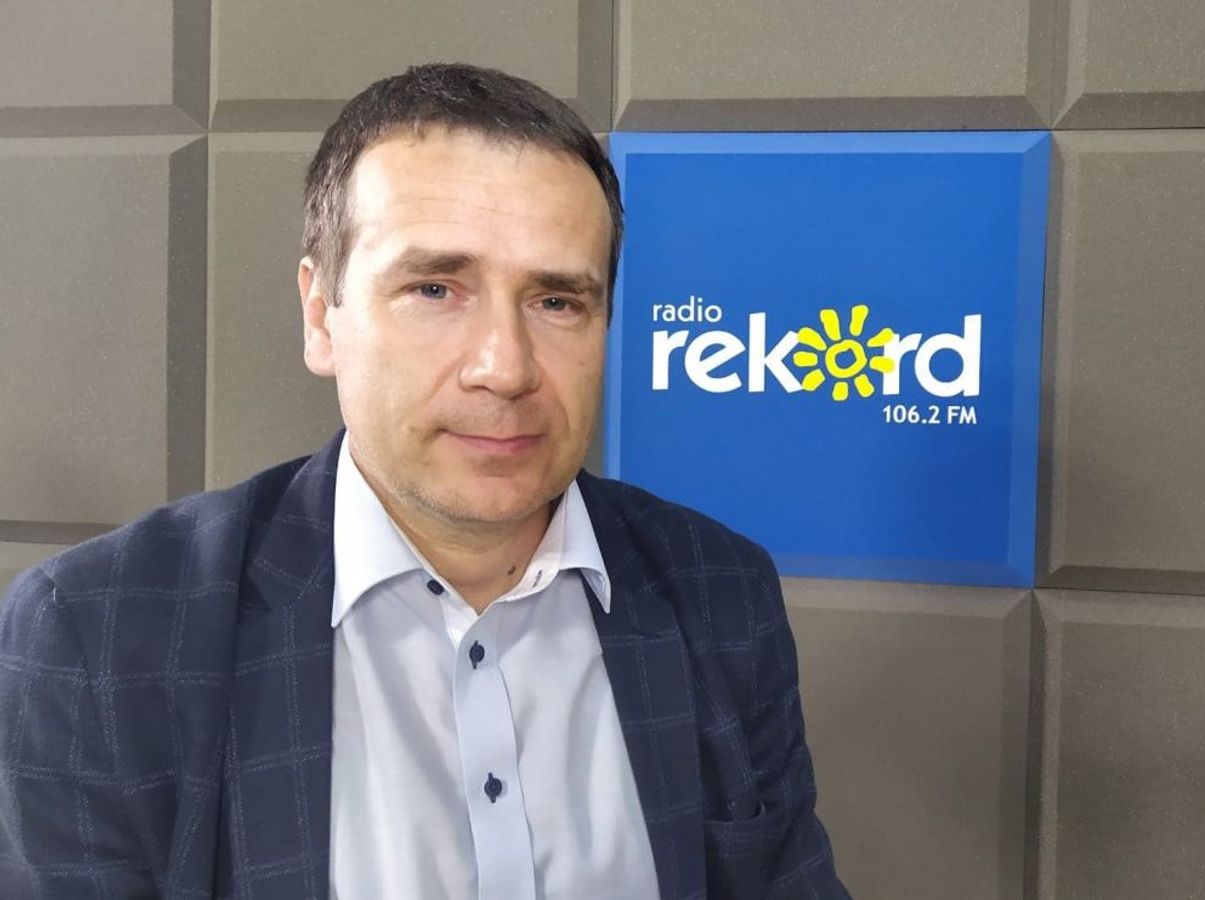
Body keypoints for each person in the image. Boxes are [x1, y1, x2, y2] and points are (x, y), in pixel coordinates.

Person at [0, 63, 846, 900]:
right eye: (435, 288)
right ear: (320, 315)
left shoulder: (719, 592)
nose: (505, 368)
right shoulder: (99, 637)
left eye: (557, 302)